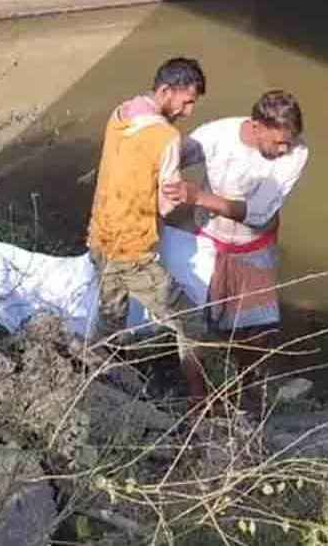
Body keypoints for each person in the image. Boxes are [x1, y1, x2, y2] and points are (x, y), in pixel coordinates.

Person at [163, 89, 308, 412]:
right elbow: (170, 158)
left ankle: (248, 394)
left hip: (252, 248)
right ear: (256, 127)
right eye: (278, 142)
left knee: (256, 333)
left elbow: (258, 213)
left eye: (289, 142)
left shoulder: (297, 153)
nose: (284, 149)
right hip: (206, 240)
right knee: (192, 322)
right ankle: (198, 398)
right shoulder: (217, 135)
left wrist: (197, 197)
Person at [87, 57, 210, 406]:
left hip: (100, 237)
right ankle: (200, 402)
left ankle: (95, 382)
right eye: (186, 102)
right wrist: (191, 197)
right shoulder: (167, 137)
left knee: (111, 317)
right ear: (166, 91)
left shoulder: (119, 115)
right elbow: (167, 204)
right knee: (191, 322)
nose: (188, 111)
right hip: (133, 250)